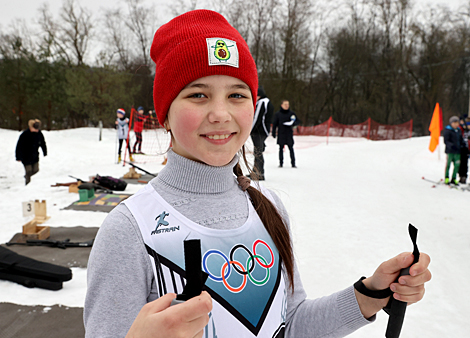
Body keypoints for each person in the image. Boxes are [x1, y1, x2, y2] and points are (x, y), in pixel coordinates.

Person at [84, 10, 431, 338]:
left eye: (237, 94)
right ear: (164, 113)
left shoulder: (268, 207)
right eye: (198, 94)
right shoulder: (130, 229)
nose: (221, 113)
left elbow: (290, 324)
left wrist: (371, 294)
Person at [249, 86, 274, 181]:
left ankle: (259, 173)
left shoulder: (262, 102)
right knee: (257, 151)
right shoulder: (265, 101)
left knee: (258, 152)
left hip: (259, 131)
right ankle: (255, 172)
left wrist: (249, 129)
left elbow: (257, 117)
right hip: (261, 131)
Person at [15, 119, 47, 185]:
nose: (37, 130)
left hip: (35, 156)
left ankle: (27, 177)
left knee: (36, 170)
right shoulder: (24, 135)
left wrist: (45, 151)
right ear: (31, 127)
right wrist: (18, 157)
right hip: (25, 157)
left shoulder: (39, 134)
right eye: (35, 129)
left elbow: (42, 143)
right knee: (28, 171)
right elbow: (19, 146)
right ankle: (27, 184)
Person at [272, 100, 300, 168]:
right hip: (281, 133)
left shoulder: (292, 113)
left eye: (288, 104)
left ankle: (293, 163)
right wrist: (273, 132)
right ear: (281, 105)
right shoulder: (278, 114)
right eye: (285, 104)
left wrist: (293, 124)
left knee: (291, 148)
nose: (287, 105)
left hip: (289, 133)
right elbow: (275, 124)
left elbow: (297, 121)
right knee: (281, 148)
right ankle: (281, 163)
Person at [444, 115, 464, 185]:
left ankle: (454, 178)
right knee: (448, 164)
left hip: (458, 151)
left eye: (457, 123)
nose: (456, 124)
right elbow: (446, 141)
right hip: (450, 151)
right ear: (451, 123)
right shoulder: (448, 130)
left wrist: (463, 145)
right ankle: (446, 177)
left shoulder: (458, 130)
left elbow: (461, 139)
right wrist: (451, 146)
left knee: (457, 165)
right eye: (454, 123)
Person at [458, 115, 470, 184]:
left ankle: (464, 176)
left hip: (468, 148)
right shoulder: (461, 129)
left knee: (465, 164)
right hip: (463, 148)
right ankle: (462, 176)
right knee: (463, 163)